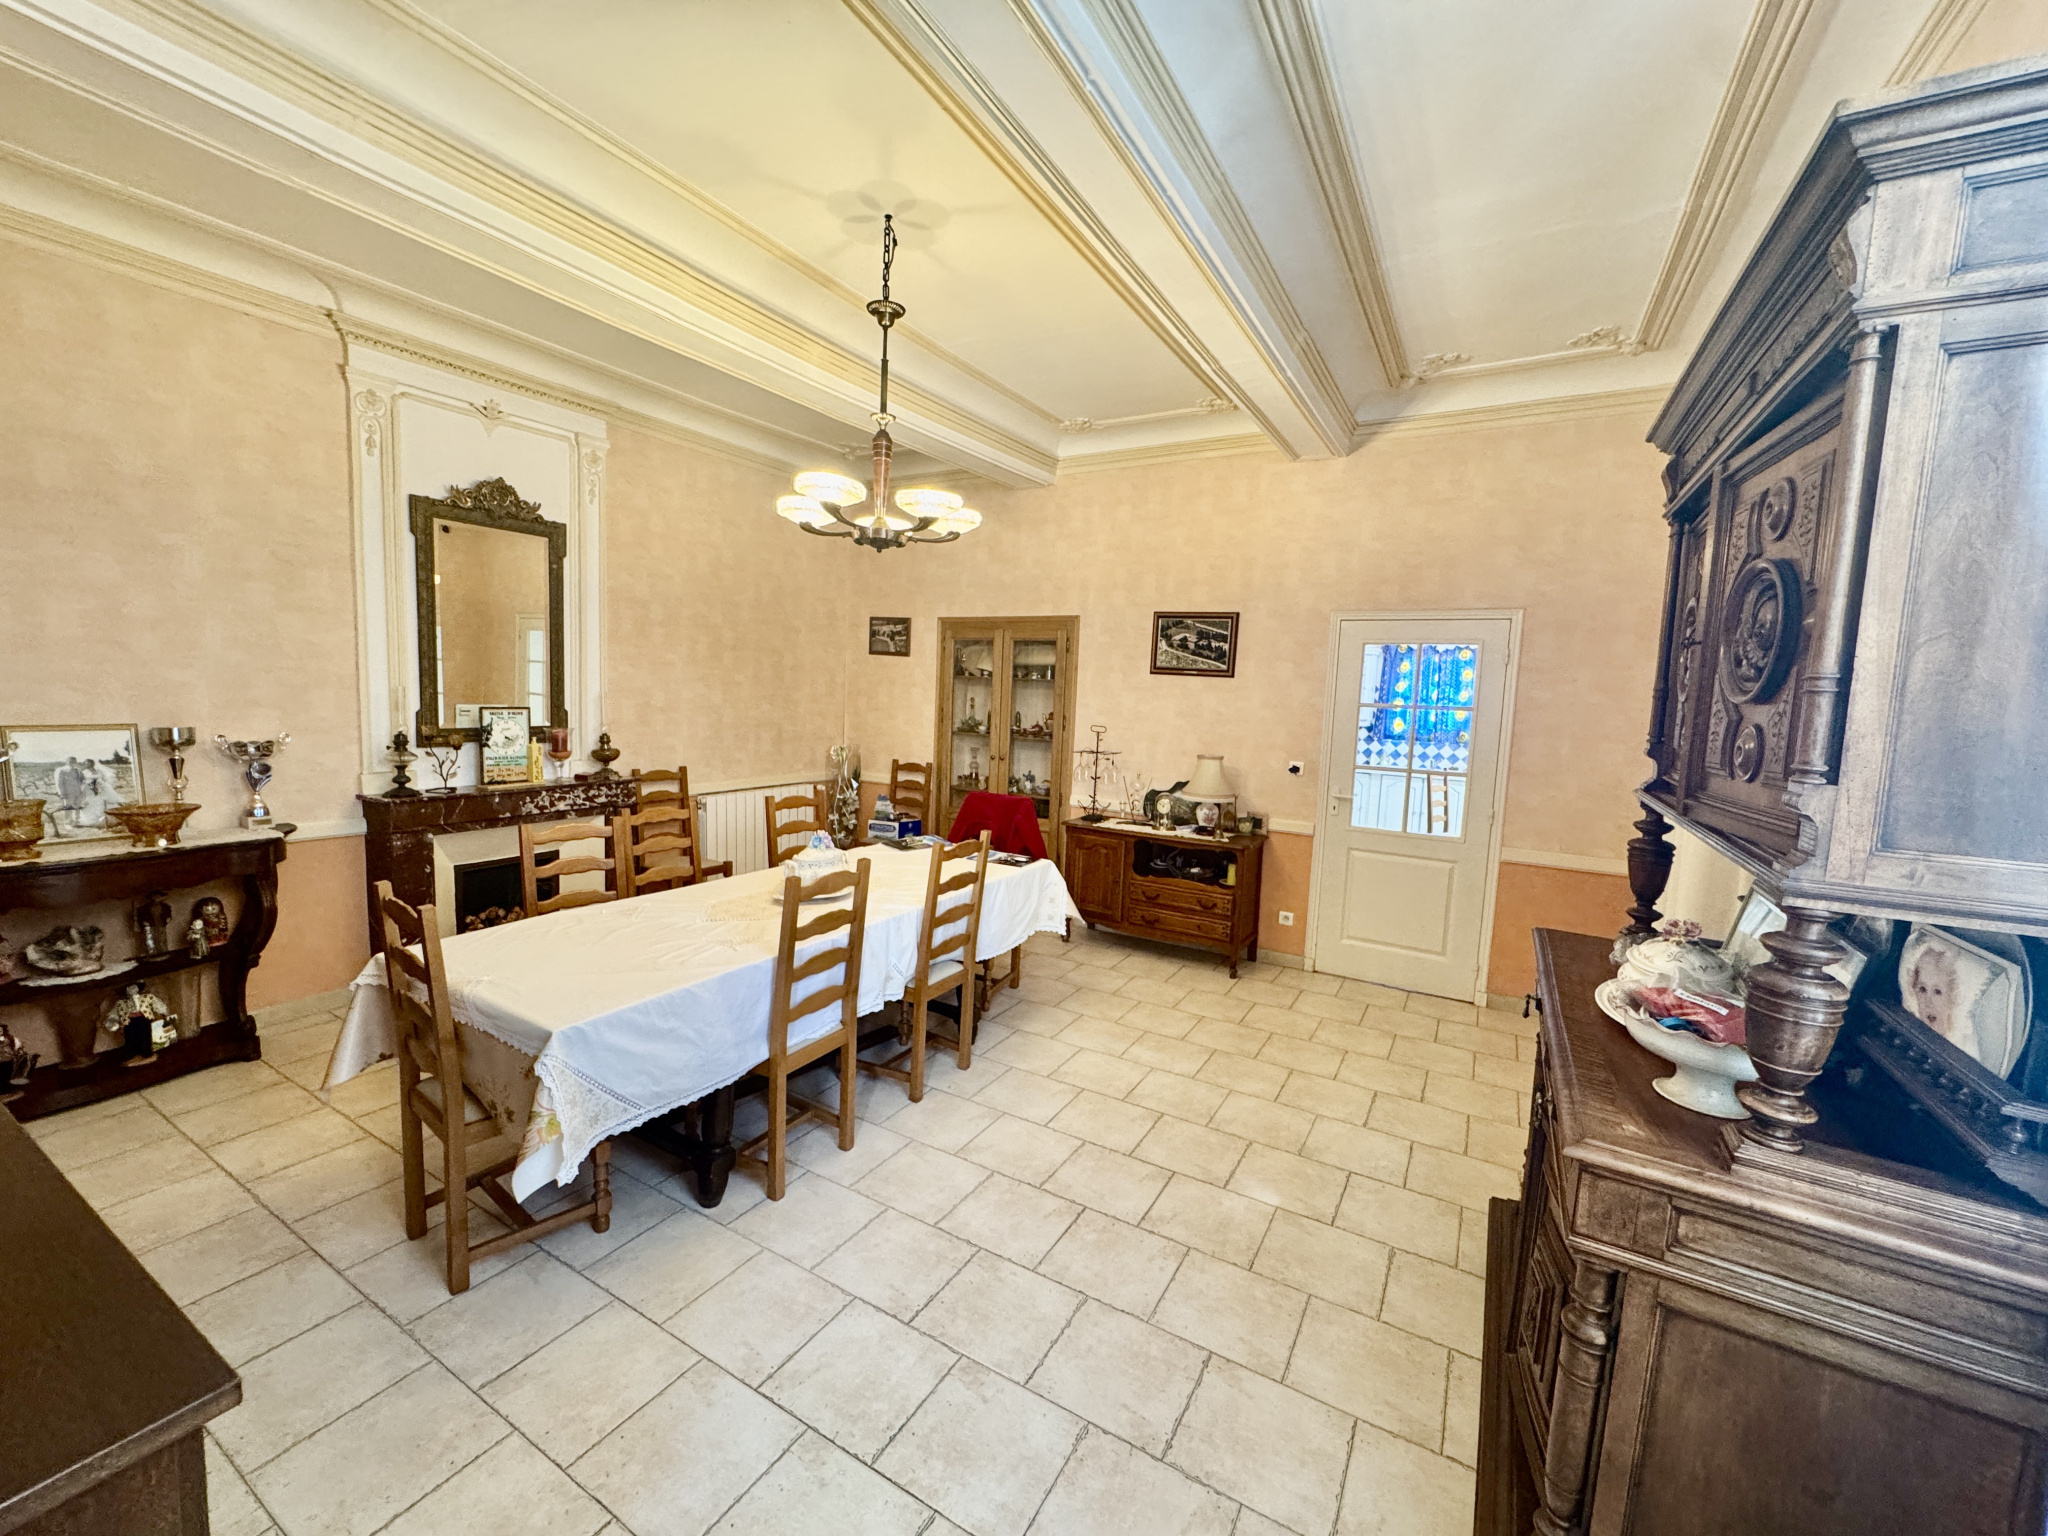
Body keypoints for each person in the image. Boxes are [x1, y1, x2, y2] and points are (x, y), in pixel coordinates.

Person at [54, 756, 86, 834]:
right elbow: (59, 783)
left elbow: (82, 780)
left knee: (77, 807)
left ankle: (77, 821)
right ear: (67, 762)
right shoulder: (62, 770)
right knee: (68, 807)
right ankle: (67, 823)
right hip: (67, 792)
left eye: (74, 761)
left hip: (77, 791)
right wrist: (61, 793)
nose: (72, 763)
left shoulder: (77, 770)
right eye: (70, 761)